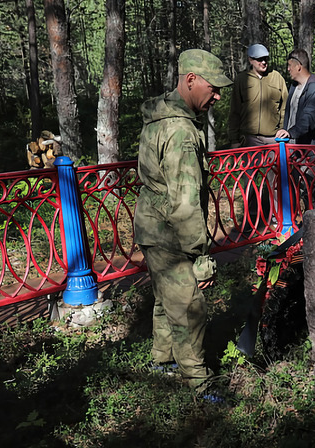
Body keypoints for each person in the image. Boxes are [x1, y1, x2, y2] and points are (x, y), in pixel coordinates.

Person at [134, 49, 232, 394]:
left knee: (167, 296)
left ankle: (163, 360)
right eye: (214, 88)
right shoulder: (182, 133)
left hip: (152, 224)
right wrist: (200, 257)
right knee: (189, 306)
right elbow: (187, 202)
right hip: (170, 229)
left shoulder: (161, 117)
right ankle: (199, 383)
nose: (217, 96)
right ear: (191, 80)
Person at [228, 44, 288, 232]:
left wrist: (285, 128)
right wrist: (234, 139)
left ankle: (278, 219)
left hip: (274, 139)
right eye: (259, 59)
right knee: (251, 181)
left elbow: (286, 106)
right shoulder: (241, 80)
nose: (263, 62)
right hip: (250, 138)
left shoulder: (276, 77)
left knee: (275, 181)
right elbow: (235, 111)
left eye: (265, 58)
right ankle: (251, 220)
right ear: (250, 61)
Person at [276, 49, 315, 208]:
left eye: (290, 66)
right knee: (295, 192)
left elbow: (308, 119)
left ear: (299, 66)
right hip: (295, 152)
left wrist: (290, 132)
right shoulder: (294, 87)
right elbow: (290, 114)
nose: (288, 69)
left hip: (313, 154)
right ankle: (297, 228)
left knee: (313, 196)